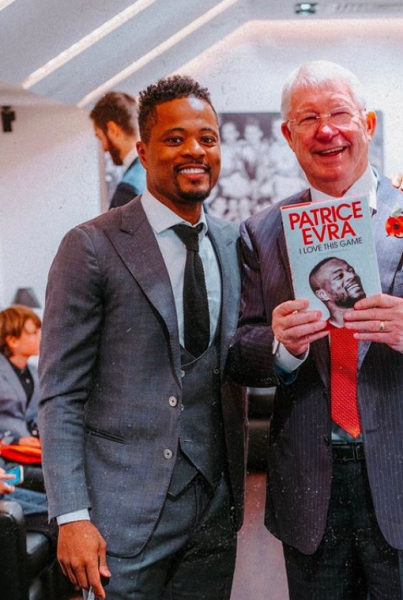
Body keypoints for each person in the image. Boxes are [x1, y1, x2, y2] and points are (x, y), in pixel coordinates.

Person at [228, 60, 403, 599]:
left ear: (368, 124)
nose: (326, 130)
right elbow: (240, 349)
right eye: (308, 118)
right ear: (288, 135)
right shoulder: (263, 232)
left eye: (340, 113)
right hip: (311, 493)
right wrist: (279, 346)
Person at [39, 75, 246, 600]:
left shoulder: (231, 241)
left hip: (214, 512)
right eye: (175, 139)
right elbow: (60, 393)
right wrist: (71, 515)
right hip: (119, 522)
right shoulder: (91, 245)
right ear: (144, 150)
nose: (194, 150)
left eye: (207, 138)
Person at [90, 91, 146, 209]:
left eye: (101, 138)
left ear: (112, 130)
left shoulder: (128, 190)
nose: (104, 148)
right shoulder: (157, 171)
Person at [0, 305, 41, 448]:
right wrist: (13, 440)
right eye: (34, 333)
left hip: (31, 451)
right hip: (6, 453)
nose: (41, 336)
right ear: (13, 341)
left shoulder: (35, 372)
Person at [309, 258, 366, 326]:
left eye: (351, 271)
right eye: (339, 276)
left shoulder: (375, 319)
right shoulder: (320, 331)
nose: (352, 276)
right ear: (322, 295)